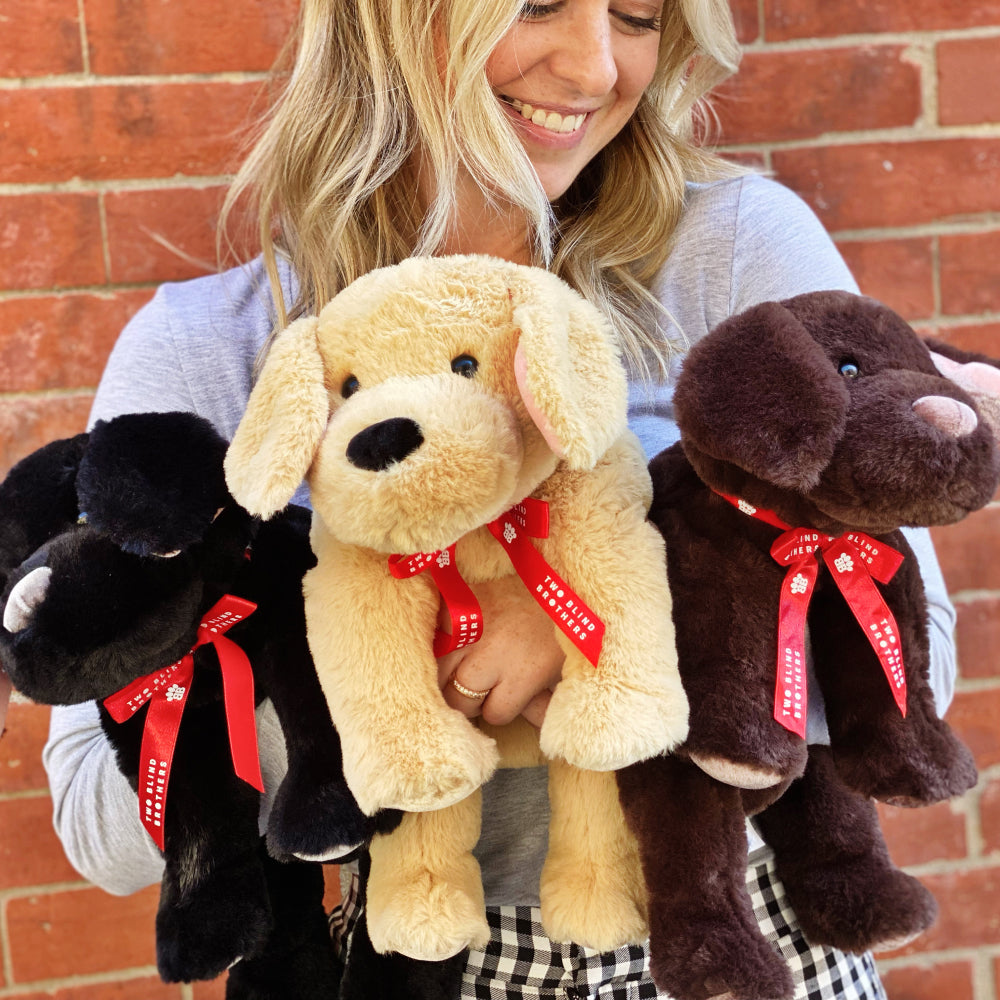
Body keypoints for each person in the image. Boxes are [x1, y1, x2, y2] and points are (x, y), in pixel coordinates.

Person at [43, 0, 960, 997]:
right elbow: (98, 819)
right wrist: (393, 675)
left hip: (744, 933)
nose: (595, 67)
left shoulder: (734, 251)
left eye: (638, 16)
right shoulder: (215, 348)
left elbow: (917, 661)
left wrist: (584, 617)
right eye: (534, 6)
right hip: (422, 949)